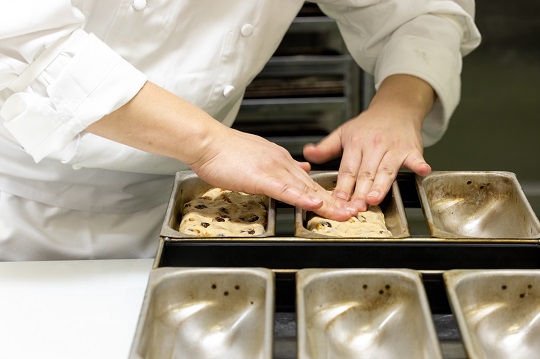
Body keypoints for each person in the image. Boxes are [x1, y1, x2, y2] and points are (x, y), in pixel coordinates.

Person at [0, 0, 481, 261]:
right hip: (18, 206)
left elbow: (419, 10)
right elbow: (24, 37)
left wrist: (399, 102)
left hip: (185, 216)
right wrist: (206, 142)